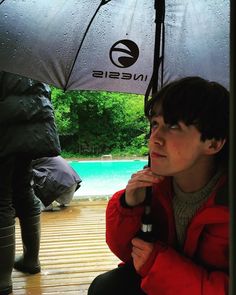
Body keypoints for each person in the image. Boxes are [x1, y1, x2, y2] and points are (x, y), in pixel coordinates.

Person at [88, 76, 229, 295]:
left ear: (213, 143)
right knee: (107, 287)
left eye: (173, 126)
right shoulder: (155, 188)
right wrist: (129, 204)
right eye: (155, 124)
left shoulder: (228, 203)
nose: (155, 138)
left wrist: (159, 265)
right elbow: (128, 254)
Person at [0, 71, 61, 295]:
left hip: (5, 130)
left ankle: (3, 282)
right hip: (34, 129)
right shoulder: (31, 53)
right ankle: (31, 260)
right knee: (23, 189)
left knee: (1, 199)